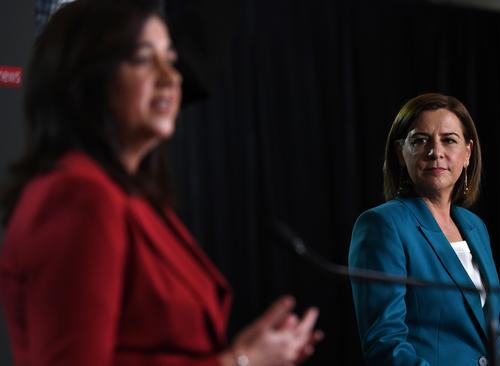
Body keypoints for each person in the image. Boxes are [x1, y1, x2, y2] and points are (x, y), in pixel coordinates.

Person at [0, 0, 322, 365]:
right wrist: (241, 360)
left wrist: (243, 352)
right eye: (142, 59)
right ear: (85, 77)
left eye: (169, 59)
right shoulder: (77, 196)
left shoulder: (129, 197)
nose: (171, 77)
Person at [348, 93, 500, 365]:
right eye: (420, 141)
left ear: (467, 153)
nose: (436, 152)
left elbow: (488, 345)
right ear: (400, 153)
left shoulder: (474, 227)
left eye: (449, 140)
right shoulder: (382, 225)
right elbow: (386, 344)